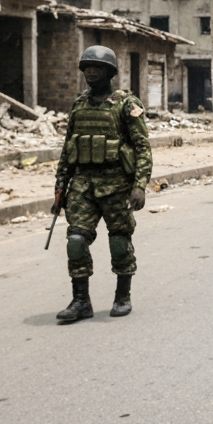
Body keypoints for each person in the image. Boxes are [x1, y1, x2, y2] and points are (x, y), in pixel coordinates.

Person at [52, 46, 152, 322]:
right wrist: (60, 185)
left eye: (97, 67)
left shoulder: (126, 104)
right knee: (75, 241)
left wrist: (139, 185)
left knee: (119, 241)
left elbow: (142, 147)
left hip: (116, 183)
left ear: (109, 72)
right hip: (83, 184)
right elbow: (69, 148)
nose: (91, 72)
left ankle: (123, 296)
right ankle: (81, 301)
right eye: (87, 67)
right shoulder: (80, 104)